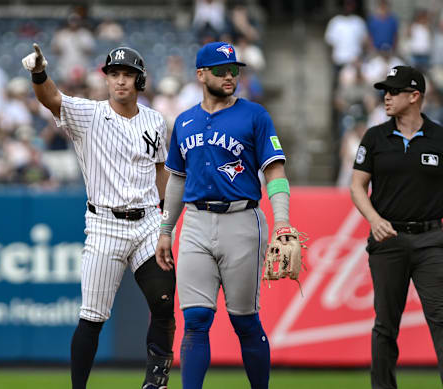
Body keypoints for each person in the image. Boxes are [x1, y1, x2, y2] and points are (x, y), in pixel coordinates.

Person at [22, 43, 176, 389]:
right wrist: (38, 73)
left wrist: (165, 216)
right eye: (115, 74)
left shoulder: (154, 120)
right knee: (92, 317)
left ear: (140, 81)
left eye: (128, 75)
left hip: (149, 221)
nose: (121, 81)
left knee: (164, 302)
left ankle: (156, 382)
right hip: (106, 223)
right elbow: (52, 99)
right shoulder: (88, 114)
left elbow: (161, 168)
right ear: (106, 79)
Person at [155, 41, 294, 389]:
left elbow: (275, 172)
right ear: (201, 74)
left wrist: (282, 221)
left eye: (234, 69)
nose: (230, 75)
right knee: (196, 319)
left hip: (242, 220)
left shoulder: (255, 115)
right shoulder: (185, 121)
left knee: (244, 320)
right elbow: (177, 180)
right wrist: (165, 229)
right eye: (221, 70)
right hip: (196, 222)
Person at [349, 66, 443, 389]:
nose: (386, 97)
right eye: (385, 91)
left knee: (442, 318)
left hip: (431, 240)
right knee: (386, 326)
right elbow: (356, 186)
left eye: (393, 91)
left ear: (414, 96)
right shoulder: (375, 137)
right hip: (388, 240)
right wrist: (375, 220)